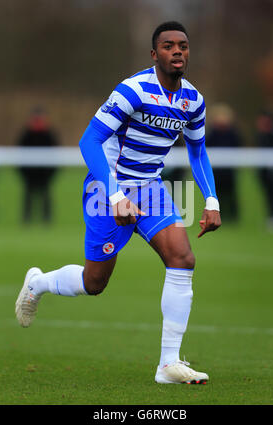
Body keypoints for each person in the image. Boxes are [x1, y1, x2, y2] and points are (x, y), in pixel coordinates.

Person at [15, 22, 221, 384]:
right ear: (154, 54)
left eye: (184, 46)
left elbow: (197, 150)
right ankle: (38, 283)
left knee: (183, 258)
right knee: (95, 282)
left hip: (150, 188)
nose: (178, 51)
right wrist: (115, 197)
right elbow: (88, 142)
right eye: (169, 46)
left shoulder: (193, 101)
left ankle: (168, 365)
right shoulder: (133, 90)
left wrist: (212, 200)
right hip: (106, 187)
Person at [17, 107, 59, 223]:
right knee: (28, 196)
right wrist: (23, 173)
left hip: (45, 174)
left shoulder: (48, 135)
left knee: (45, 195)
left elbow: (56, 155)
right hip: (29, 173)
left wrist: (50, 173)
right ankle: (27, 218)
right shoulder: (26, 135)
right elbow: (19, 154)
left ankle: (47, 218)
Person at [206, 103, 241, 222]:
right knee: (218, 194)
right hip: (216, 170)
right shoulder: (212, 134)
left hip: (229, 170)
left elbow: (238, 148)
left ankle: (233, 216)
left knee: (231, 194)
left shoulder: (233, 134)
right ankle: (220, 214)